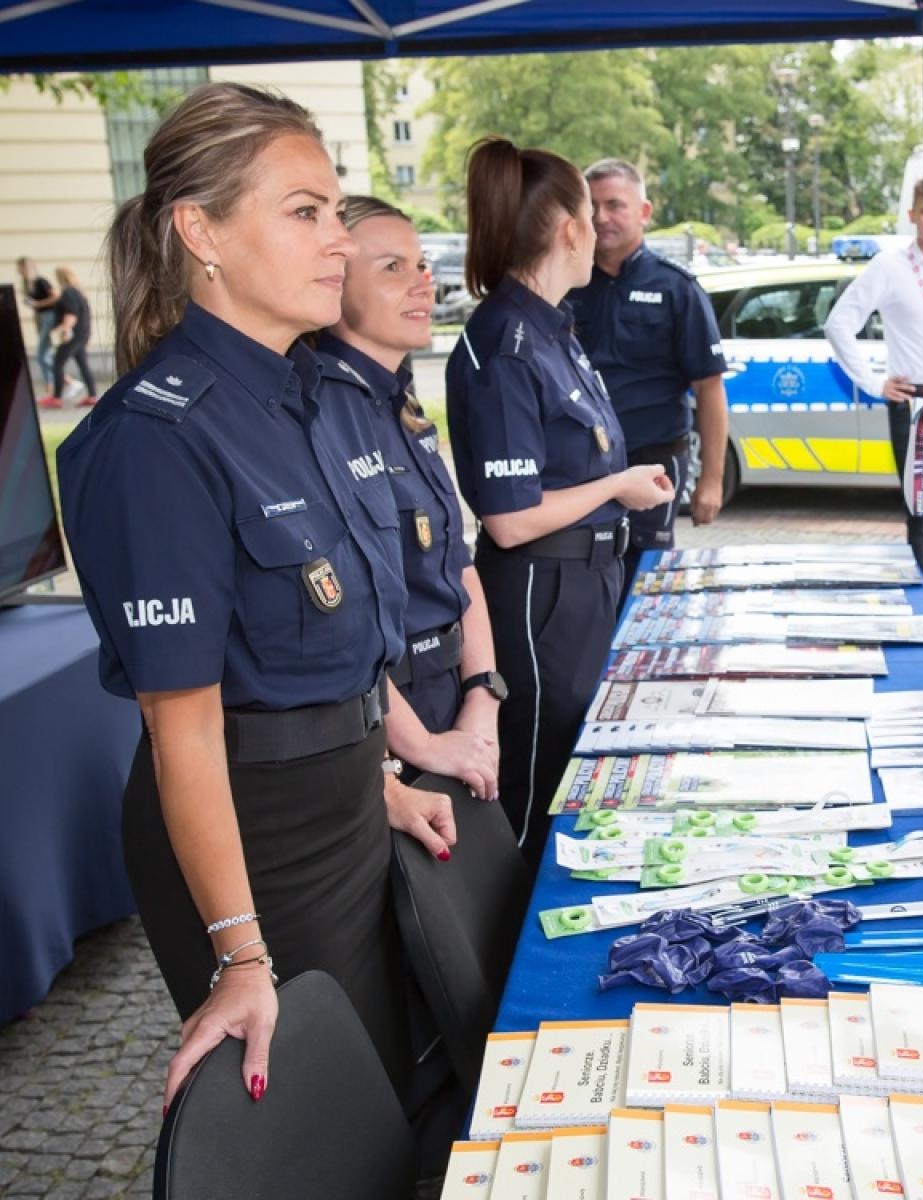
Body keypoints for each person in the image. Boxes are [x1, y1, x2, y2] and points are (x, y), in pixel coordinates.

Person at [56, 82, 451, 1116]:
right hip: (256, 835)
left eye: (335, 209)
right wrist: (239, 956)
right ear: (202, 232)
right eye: (304, 211)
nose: (337, 239)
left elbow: (322, 654)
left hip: (345, 803)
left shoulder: (311, 395)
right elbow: (185, 731)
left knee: (392, 1091)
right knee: (328, 1122)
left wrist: (376, 783)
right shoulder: (158, 441)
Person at [446, 139, 675, 861]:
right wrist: (617, 485)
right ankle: (508, 954)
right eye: (590, 213)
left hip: (586, 585)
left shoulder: (553, 329)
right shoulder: (507, 342)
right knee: (540, 789)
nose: (600, 231)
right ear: (569, 229)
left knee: (575, 776)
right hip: (542, 596)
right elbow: (510, 519)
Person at [321, 195, 503, 821]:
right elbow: (335, 625)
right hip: (386, 723)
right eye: (393, 267)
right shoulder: (317, 417)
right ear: (333, 282)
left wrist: (483, 694)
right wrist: (420, 743)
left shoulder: (402, 408)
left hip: (451, 696)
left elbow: (459, 568)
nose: (423, 282)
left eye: (423, 265)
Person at [567, 158, 728, 588]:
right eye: (592, 207)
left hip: (652, 458)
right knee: (586, 581)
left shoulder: (677, 289)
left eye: (615, 205)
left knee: (645, 584)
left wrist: (711, 481)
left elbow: (709, 389)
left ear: (644, 211)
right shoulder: (566, 286)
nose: (601, 218)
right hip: (580, 467)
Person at [823, 174, 923, 586]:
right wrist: (873, 381)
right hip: (914, 403)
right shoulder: (890, 266)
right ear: (914, 215)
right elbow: (838, 323)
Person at [45, 265, 97, 407]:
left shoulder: (68, 292)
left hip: (73, 335)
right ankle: (93, 396)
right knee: (83, 365)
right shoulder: (78, 292)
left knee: (57, 363)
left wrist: (66, 330)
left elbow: (71, 313)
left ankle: (56, 398)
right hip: (82, 334)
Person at [16, 257, 58, 392]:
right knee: (46, 353)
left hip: (49, 316)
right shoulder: (26, 284)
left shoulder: (41, 281)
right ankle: (51, 386)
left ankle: (63, 380)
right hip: (40, 317)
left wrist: (37, 304)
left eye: (22, 267)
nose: (20, 270)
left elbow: (55, 296)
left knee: (41, 354)